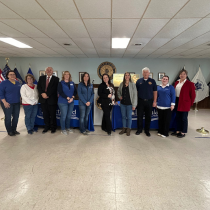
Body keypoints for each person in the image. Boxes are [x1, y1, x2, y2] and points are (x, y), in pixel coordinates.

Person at [171, 69, 196, 138]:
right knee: (178, 117)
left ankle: (183, 132)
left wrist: (190, 104)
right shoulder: (176, 82)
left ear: (186, 75)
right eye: (181, 74)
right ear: (179, 75)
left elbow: (193, 95)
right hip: (177, 101)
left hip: (185, 102)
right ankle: (178, 130)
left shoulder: (190, 84)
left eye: (184, 74)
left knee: (184, 118)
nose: (182, 75)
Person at [136, 67, 157, 137]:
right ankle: (139, 129)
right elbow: (136, 92)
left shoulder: (153, 81)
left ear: (149, 73)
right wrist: (135, 102)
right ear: (142, 73)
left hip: (149, 101)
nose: (145, 73)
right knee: (139, 116)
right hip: (140, 101)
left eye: (147, 72)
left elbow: (155, 92)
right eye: (144, 72)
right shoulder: (139, 81)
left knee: (148, 117)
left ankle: (147, 130)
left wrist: (154, 101)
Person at [37, 67, 59, 134]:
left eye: (50, 70)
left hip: (52, 99)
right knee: (45, 114)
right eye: (47, 70)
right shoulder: (41, 78)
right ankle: (46, 127)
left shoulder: (56, 79)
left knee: (52, 115)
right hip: (43, 100)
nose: (49, 71)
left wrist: (47, 94)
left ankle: (53, 128)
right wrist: (42, 93)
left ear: (52, 71)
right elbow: (39, 87)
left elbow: (54, 88)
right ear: (45, 71)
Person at [0, 70, 21, 136]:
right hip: (7, 103)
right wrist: (4, 102)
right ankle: (9, 131)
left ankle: (14, 129)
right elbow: (1, 94)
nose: (12, 75)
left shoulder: (17, 82)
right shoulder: (3, 83)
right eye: (10, 74)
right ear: (7, 75)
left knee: (16, 117)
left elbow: (19, 92)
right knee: (8, 117)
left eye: (13, 74)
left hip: (17, 103)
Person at [57, 71, 77, 135]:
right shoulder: (60, 83)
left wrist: (72, 97)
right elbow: (60, 92)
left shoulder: (72, 83)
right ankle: (63, 129)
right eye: (65, 74)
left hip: (71, 102)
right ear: (63, 76)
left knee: (68, 116)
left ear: (69, 75)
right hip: (62, 102)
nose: (66, 75)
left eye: (68, 74)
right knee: (64, 116)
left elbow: (75, 92)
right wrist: (67, 98)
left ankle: (68, 127)